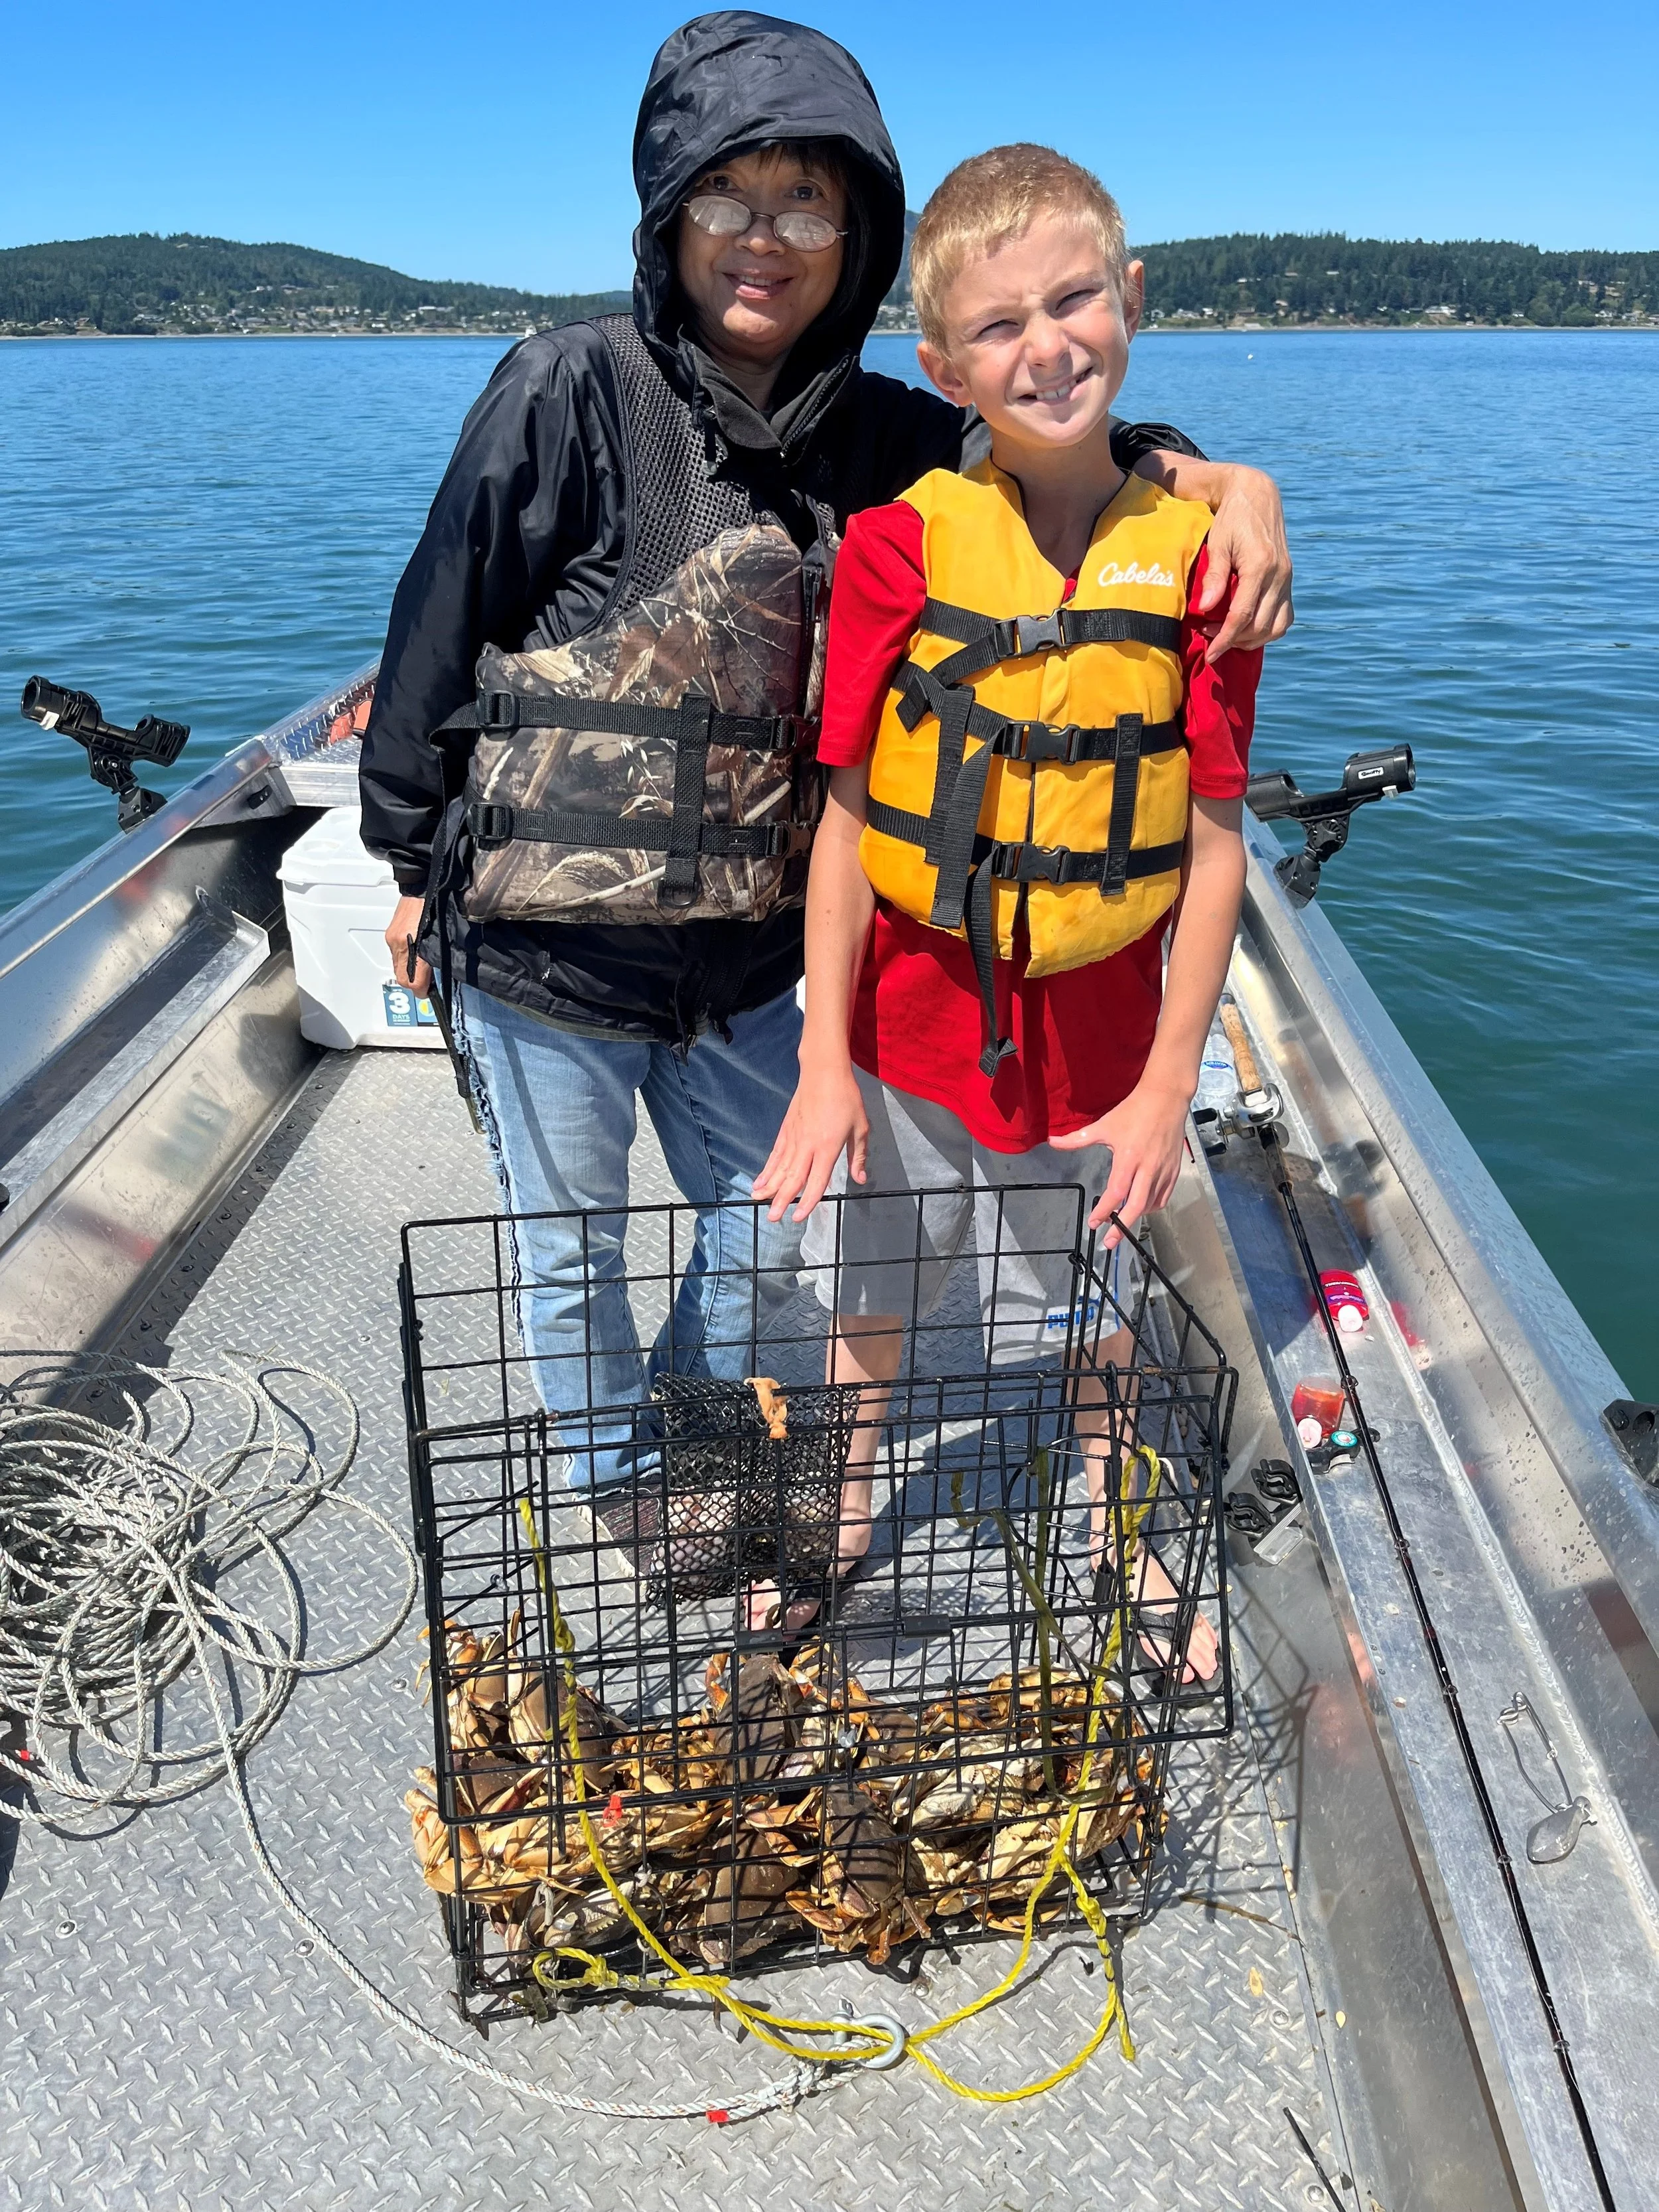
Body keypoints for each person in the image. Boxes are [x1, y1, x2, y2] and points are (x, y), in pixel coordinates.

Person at [358, 14, 1292, 1524]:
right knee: (565, 1242)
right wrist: (406, 864)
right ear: (669, 213)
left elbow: (1061, 433)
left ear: (850, 235)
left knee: (756, 1233)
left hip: (742, 962)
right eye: (729, 197)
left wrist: (1231, 482)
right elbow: (434, 628)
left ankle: (696, 1423)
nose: (764, 240)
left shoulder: (889, 434)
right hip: (545, 951)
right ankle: (617, 1485)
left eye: (807, 204)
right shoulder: (563, 387)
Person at [753, 145, 1262, 1663]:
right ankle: (838, 1516)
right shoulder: (899, 547)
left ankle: (1114, 1522)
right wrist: (822, 1057)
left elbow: (1217, 841)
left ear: (1130, 299)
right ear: (941, 366)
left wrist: (1175, 1077)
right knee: (871, 1291)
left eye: (1073, 301)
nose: (1044, 347)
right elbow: (845, 817)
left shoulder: (1206, 564)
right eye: (996, 327)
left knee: (1090, 1295)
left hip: (1103, 1032)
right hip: (901, 1014)